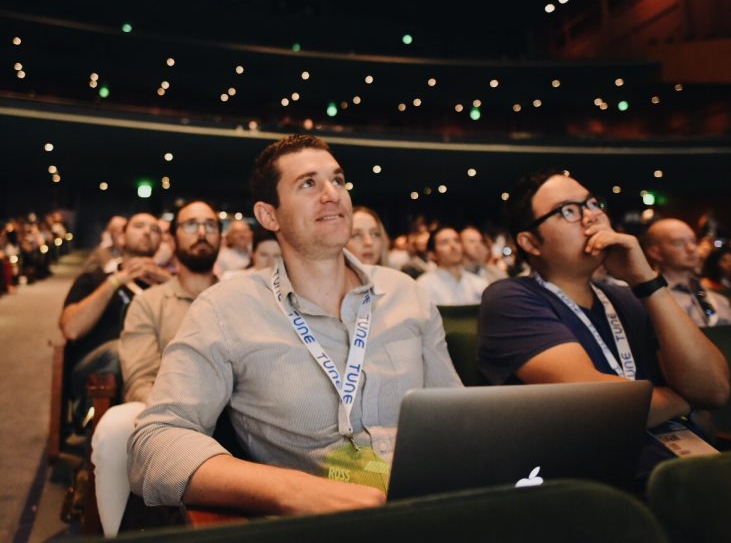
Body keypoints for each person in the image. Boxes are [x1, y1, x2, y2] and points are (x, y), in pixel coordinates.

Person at [128, 134, 461, 516]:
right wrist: (291, 490)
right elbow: (153, 442)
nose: (332, 194)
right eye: (308, 184)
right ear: (270, 216)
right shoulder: (225, 310)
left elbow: (456, 416)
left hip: (432, 508)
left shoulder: (407, 293)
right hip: (321, 525)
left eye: (337, 180)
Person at [478, 170, 730, 474]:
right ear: (531, 242)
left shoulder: (628, 297)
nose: (591, 217)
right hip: (602, 486)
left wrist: (647, 282)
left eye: (593, 204)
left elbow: (714, 388)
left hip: (692, 467)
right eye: (568, 211)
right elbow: (602, 406)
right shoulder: (511, 298)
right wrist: (684, 400)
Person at [91, 200, 222, 536]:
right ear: (173, 239)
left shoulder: (238, 296)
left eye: (210, 224)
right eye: (191, 225)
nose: (202, 232)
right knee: (114, 428)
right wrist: (180, 419)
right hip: (164, 409)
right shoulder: (149, 301)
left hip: (233, 410)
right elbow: (140, 375)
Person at [58, 213, 169, 402]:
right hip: (100, 366)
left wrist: (168, 281)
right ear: (121, 237)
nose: (147, 232)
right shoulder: (95, 278)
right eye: (139, 226)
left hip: (157, 365)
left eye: (155, 229)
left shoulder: (168, 285)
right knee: (121, 351)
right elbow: (71, 329)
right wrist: (116, 281)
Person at [642, 218, 731, 326]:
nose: (691, 248)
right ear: (655, 252)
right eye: (678, 243)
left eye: (694, 241)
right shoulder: (649, 301)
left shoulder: (719, 300)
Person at [416, 226, 489, 306]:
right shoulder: (424, 285)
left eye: (457, 241)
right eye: (445, 242)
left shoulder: (480, 283)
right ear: (432, 254)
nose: (453, 246)